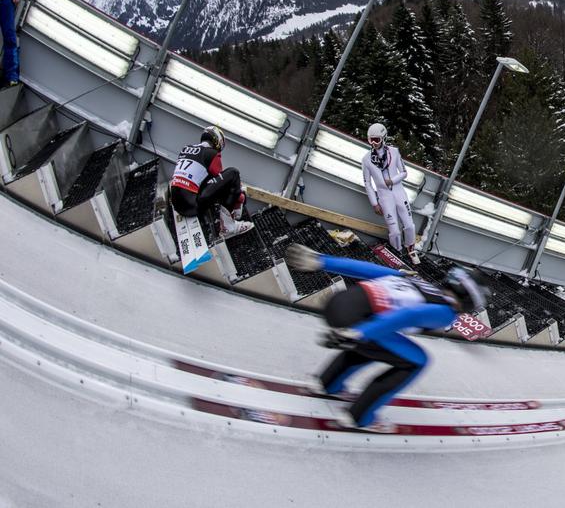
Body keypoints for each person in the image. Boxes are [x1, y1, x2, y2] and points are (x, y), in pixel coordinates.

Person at [285, 243, 487, 429]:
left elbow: (370, 270)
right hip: (356, 321)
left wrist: (322, 261)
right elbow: (408, 316)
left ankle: (328, 384)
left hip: (340, 303)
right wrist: (360, 333)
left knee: (379, 346)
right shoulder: (445, 313)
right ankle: (359, 417)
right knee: (417, 361)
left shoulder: (417, 281)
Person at [169, 125, 253, 239]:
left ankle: (232, 216)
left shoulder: (186, 149)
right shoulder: (212, 154)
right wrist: (239, 197)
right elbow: (223, 184)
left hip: (177, 203)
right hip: (192, 206)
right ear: (218, 142)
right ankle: (228, 227)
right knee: (233, 173)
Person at [362, 123, 416, 258]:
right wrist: (374, 203)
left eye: (377, 140)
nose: (374, 143)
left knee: (409, 226)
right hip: (384, 196)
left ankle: (411, 248)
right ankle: (397, 252)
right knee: (395, 231)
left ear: (383, 138)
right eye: (371, 140)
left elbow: (404, 172)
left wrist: (393, 180)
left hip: (399, 192)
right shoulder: (366, 159)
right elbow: (367, 183)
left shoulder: (394, 152)